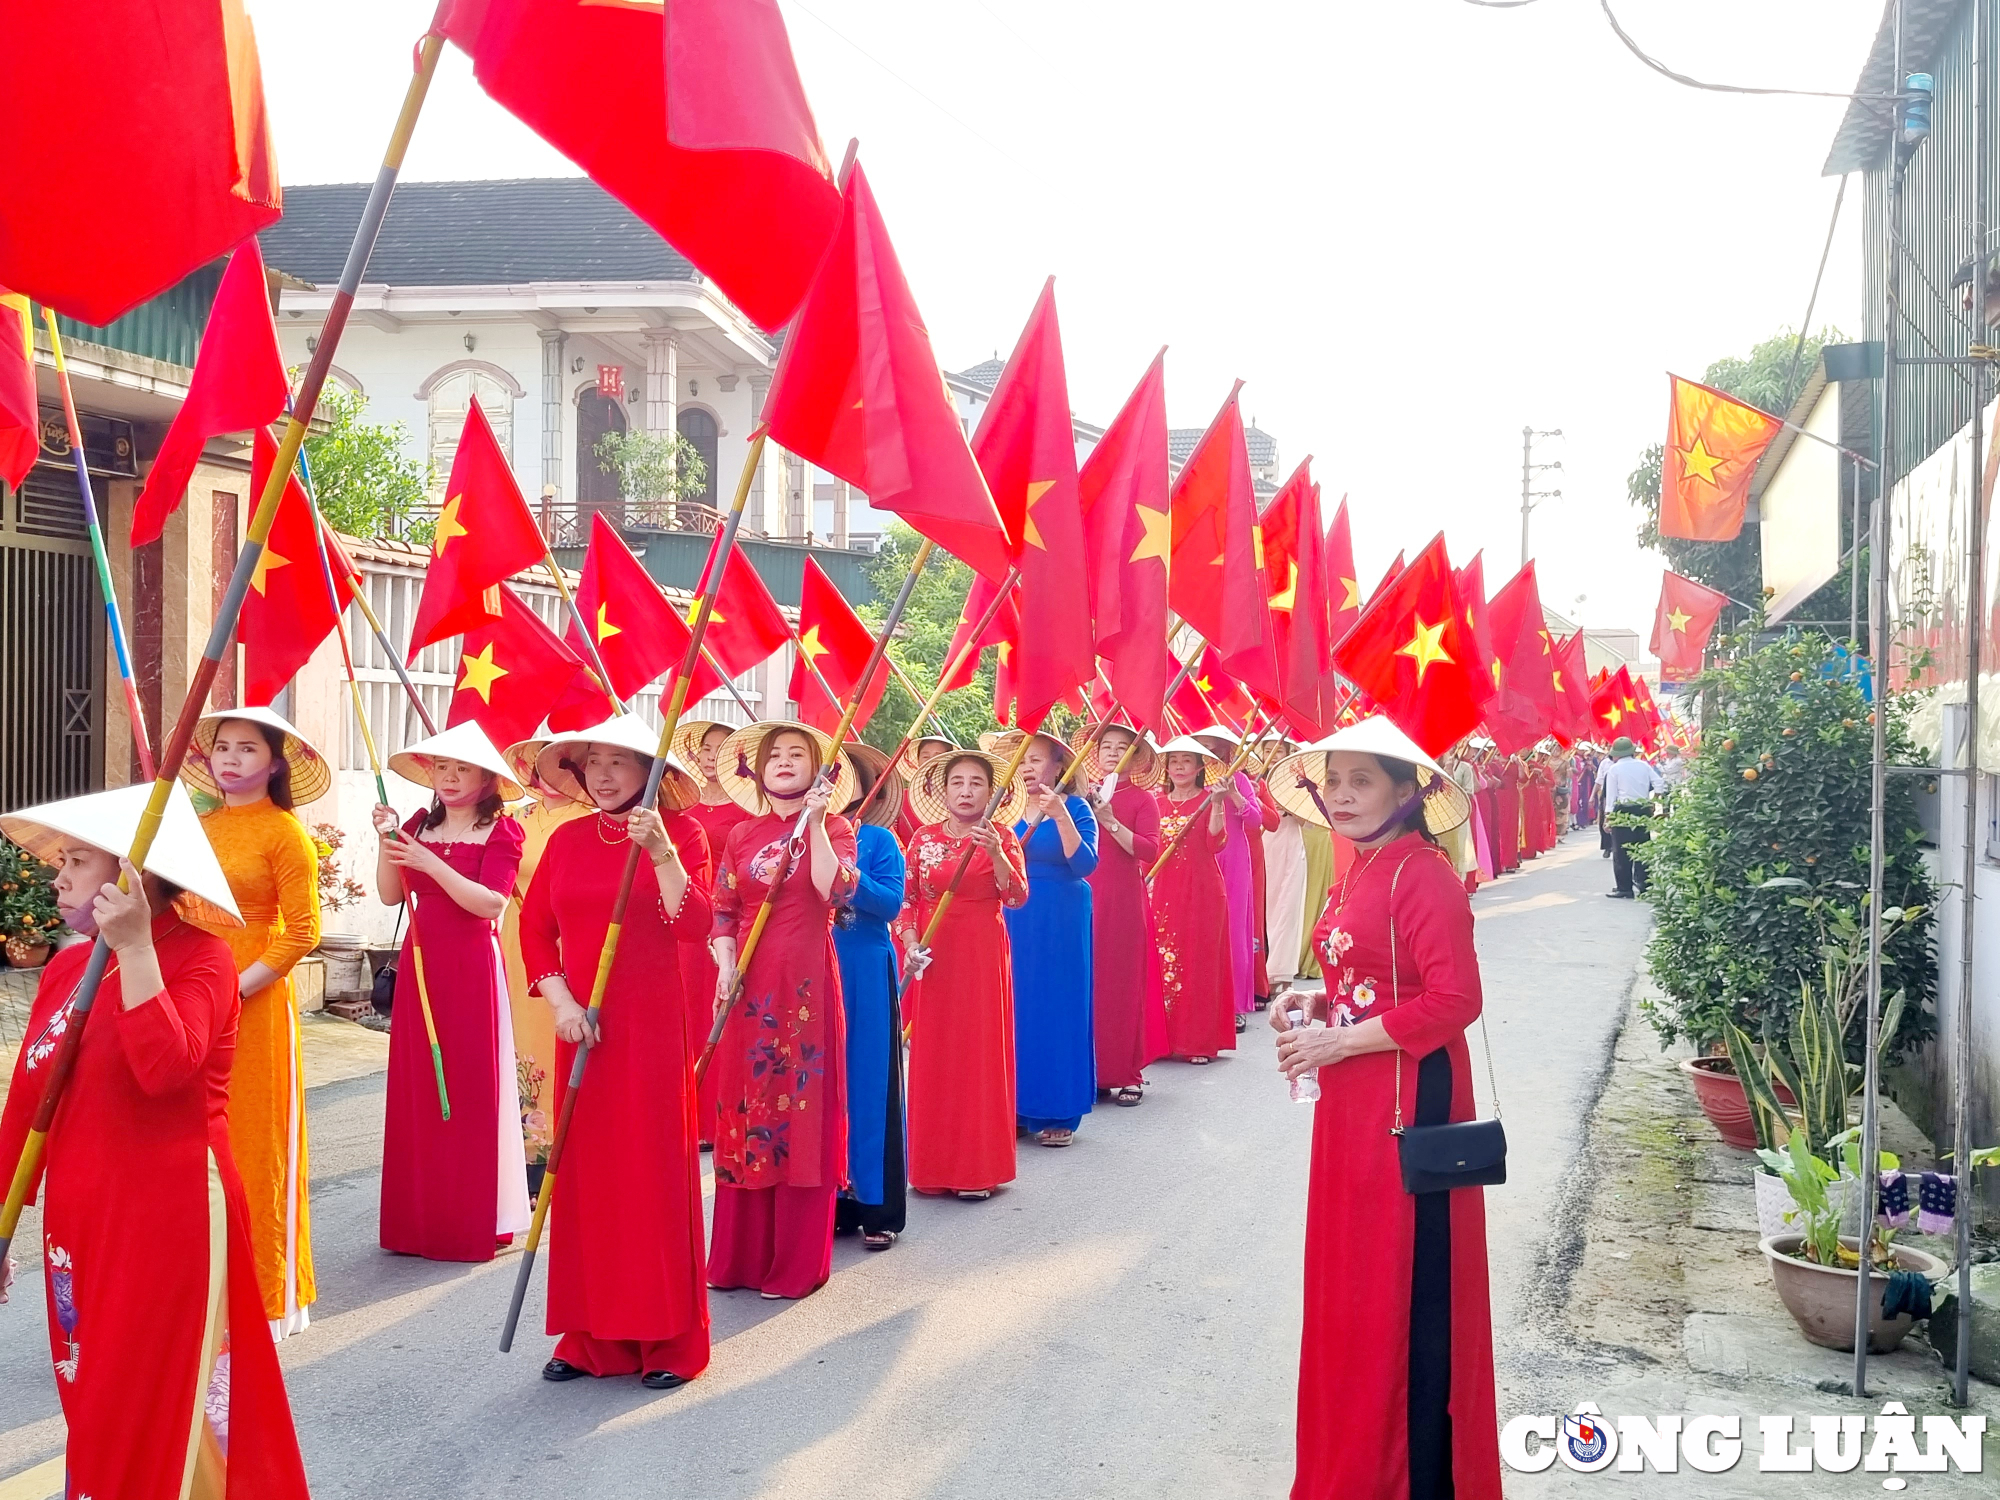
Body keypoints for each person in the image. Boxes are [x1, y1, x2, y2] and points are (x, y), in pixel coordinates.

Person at [0, 783, 313, 1499]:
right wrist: (1, 1224)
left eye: (78, 860)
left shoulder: (202, 960)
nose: (59, 876)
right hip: (79, 1220)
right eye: (62, 859)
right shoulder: (60, 971)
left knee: (147, 1392)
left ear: (134, 878)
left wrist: (137, 947)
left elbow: (165, 1071)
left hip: (166, 1213)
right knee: (89, 1383)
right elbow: (27, 1107)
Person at [1267, 717, 1502, 1500]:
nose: (1340, 795)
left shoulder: (1421, 873)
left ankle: (1409, 1476)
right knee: (1349, 1290)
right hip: (1351, 1103)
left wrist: (1342, 1043)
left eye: (1360, 781)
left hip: (1409, 1106)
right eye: (1333, 781)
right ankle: (1352, 1465)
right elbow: (1365, 978)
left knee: (1397, 1289)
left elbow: (1455, 999)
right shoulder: (1362, 867)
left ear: (1409, 792)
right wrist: (1312, 1004)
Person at [516, 712, 712, 1386]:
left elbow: (695, 925)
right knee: (589, 1179)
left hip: (652, 1031)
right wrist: (563, 1002)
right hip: (584, 1032)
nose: (601, 774)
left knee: (649, 1175)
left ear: (648, 772)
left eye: (617, 762)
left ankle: (666, 1342)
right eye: (590, 762)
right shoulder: (568, 841)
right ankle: (591, 1335)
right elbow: (536, 930)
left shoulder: (679, 833)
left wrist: (661, 854)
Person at [182, 706, 326, 1339]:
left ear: (275, 763)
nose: (231, 758)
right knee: (189, 1147)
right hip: (188, 997)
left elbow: (302, 932)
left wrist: (234, 991)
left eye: (246, 748)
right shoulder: (194, 828)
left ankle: (267, 1295)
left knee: (254, 1146)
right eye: (223, 747)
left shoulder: (284, 834)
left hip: (253, 1005)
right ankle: (195, 1293)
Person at [708, 721, 859, 1299]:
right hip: (747, 985)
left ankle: (796, 1263)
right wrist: (725, 965)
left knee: (800, 1110)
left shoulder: (837, 827)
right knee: (747, 1110)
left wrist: (816, 823)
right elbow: (724, 908)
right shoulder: (742, 834)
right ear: (758, 771)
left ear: (819, 771)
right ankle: (740, 1258)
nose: (785, 762)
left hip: (805, 988)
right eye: (776, 756)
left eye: (799, 754)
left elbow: (837, 889)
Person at [373, 722, 531, 1262]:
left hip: (469, 967)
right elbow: (390, 894)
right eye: (442, 767)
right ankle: (417, 1221)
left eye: (462, 768)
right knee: (419, 1089)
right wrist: (387, 842)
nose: (450, 777)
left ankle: (468, 1220)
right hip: (420, 968)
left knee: (467, 1089)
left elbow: (492, 904)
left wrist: (430, 863)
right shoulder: (418, 823)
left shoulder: (503, 833)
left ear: (487, 778)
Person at [898, 749, 1027, 1198]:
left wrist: (997, 855)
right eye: (958, 782)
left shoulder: (1003, 836)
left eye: (976, 783)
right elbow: (908, 900)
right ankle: (932, 1167)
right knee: (935, 1052)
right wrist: (911, 944)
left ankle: (977, 1168)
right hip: (935, 953)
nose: (967, 790)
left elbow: (1016, 897)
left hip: (981, 951)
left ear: (991, 792)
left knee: (979, 1052)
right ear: (943, 790)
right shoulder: (921, 840)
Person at [500, 733, 590, 1190]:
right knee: (516, 1037)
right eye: (541, 765)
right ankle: (522, 1153)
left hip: (567, 938)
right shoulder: (513, 820)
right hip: (517, 940)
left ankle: (561, 1145)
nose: (550, 774)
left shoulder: (588, 821)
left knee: (560, 1033)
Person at [1002, 729, 1099, 1147]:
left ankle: (1062, 1109)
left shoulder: (1077, 808)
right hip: (1015, 914)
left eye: (1036, 759)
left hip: (1061, 912)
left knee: (1058, 1004)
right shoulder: (1005, 810)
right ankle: (1020, 1106)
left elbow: (1085, 864)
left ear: (1059, 765)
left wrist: (1059, 815)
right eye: (1021, 761)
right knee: (1017, 1005)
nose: (1027, 768)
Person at [831, 742, 908, 1248]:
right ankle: (830, 1200)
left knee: (867, 1080)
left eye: (840, 775)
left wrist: (850, 876)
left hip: (863, 969)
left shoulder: (877, 840)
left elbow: (890, 902)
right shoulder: (795, 838)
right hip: (811, 972)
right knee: (821, 1083)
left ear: (862, 786)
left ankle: (875, 1202)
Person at [670, 718, 749, 1148]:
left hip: (731, 922)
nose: (713, 755)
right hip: (691, 920)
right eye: (706, 748)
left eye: (723, 748)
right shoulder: (685, 809)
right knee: (690, 1014)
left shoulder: (749, 810)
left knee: (724, 1013)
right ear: (696, 756)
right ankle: (691, 1115)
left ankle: (722, 1115)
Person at [1082, 722, 1164, 1105]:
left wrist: (1110, 821)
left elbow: (1148, 851)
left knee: (1122, 981)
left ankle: (1128, 1072)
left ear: (1137, 757)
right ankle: (1095, 1069)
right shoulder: (1082, 794)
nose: (1113, 753)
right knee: (1089, 981)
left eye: (1123, 747)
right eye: (1107, 746)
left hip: (1124, 898)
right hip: (1086, 895)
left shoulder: (1143, 800)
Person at [1150, 736, 1237, 1063]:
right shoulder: (1155, 803)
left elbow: (1216, 843)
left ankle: (1198, 1042)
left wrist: (1217, 804)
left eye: (1187, 761)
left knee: (1199, 962)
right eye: (1174, 761)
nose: (1179, 767)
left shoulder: (1208, 800)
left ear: (1201, 767)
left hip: (1203, 892)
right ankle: (1163, 1039)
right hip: (1164, 891)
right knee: (1161, 960)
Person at [1189, 725, 1259, 1031]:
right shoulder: (1194, 782)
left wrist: (1232, 794)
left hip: (1234, 858)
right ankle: (1200, 1003)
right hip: (1201, 855)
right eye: (1203, 751)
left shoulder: (1240, 781)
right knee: (1199, 927)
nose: (1211, 756)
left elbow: (1256, 821)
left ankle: (1233, 1007)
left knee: (1233, 930)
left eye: (1215, 750)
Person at [1596, 736, 1664, 899]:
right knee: (1642, 847)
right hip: (1642, 809)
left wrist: (1608, 818)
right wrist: (1654, 800)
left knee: (1622, 851)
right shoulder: (1644, 765)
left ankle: (1624, 887)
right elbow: (1659, 783)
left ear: (1616, 754)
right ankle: (1644, 886)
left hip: (1623, 811)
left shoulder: (1614, 769)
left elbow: (1611, 797)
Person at [894, 733, 958, 845]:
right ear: (918, 761)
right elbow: (893, 837)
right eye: (925, 756)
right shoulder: (901, 798)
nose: (930, 761)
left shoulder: (960, 798)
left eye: (937, 756)